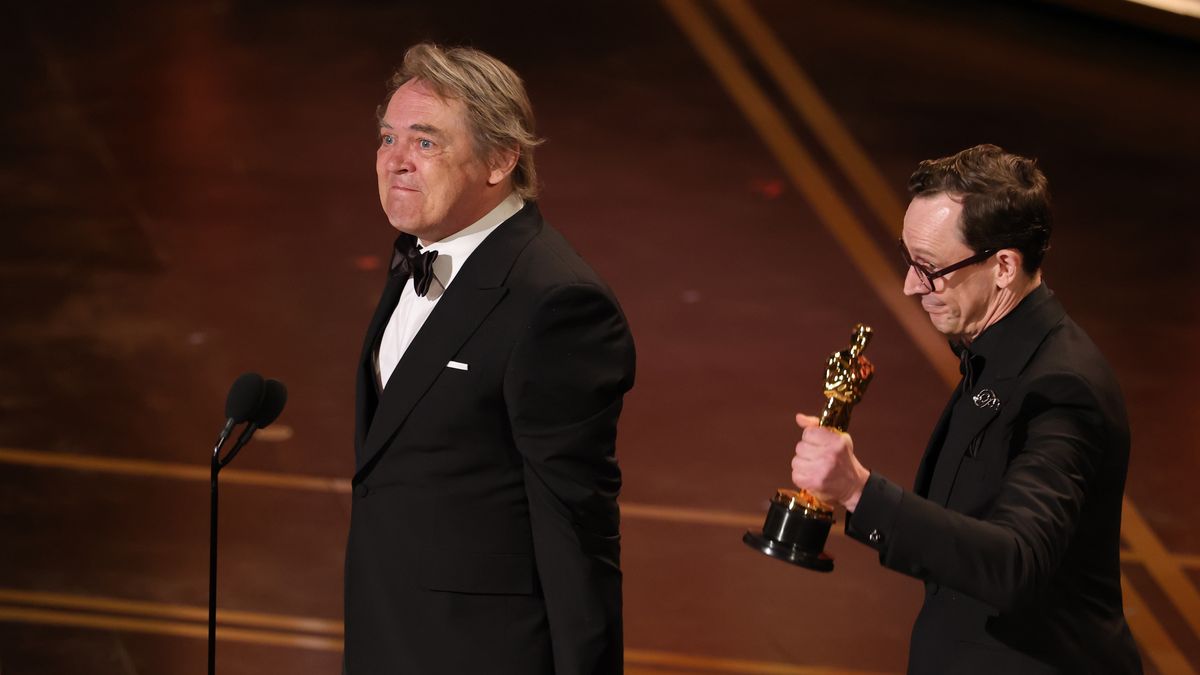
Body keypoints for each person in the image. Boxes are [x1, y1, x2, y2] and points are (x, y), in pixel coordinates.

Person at [789, 144, 1141, 673]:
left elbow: (1015, 563)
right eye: (907, 260)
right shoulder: (994, 356)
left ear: (1003, 266)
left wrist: (859, 491)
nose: (911, 285)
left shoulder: (1062, 387)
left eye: (928, 267)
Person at [344, 43, 635, 675]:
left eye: (425, 144)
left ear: (500, 159)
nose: (395, 161)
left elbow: (577, 526)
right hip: (389, 633)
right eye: (387, 137)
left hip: (479, 651)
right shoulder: (420, 249)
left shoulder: (556, 303)